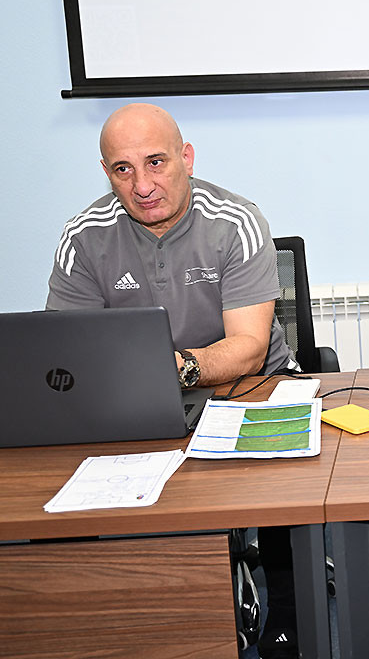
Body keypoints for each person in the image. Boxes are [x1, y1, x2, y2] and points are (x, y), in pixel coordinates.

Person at [45, 103, 300, 659]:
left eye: (156, 162)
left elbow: (249, 348)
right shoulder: (84, 236)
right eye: (123, 169)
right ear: (107, 173)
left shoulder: (236, 220)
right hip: (131, 396)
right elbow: (68, 355)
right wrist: (137, 380)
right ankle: (144, 606)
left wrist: (171, 369)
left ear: (186, 157)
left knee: (281, 485)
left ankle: (286, 607)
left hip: (246, 387)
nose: (142, 185)